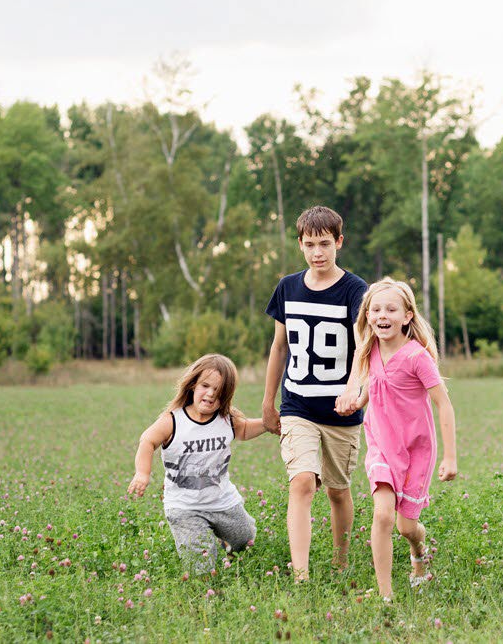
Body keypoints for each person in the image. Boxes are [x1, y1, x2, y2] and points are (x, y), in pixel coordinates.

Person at [262, 206, 368, 582]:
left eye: (325, 244)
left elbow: (363, 347)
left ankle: (341, 563)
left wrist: (353, 388)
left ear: (339, 242)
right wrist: (268, 401)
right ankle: (301, 574)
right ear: (300, 245)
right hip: (297, 405)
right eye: (309, 244)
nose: (317, 252)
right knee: (303, 480)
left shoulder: (356, 290)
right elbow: (279, 347)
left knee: (338, 491)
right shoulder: (287, 287)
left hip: (341, 411)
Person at [337, 277, 457, 600]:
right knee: (383, 514)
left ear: (407, 316)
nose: (382, 315)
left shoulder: (417, 357)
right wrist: (355, 402)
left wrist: (450, 457)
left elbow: (443, 404)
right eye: (375, 309)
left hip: (416, 450)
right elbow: (374, 387)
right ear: (368, 314)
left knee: (406, 527)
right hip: (381, 445)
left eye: (391, 309)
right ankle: (386, 597)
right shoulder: (368, 349)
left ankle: (419, 550)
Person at [127, 353, 270, 574]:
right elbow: (147, 441)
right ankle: (205, 588)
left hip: (222, 501)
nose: (211, 394)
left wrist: (268, 424)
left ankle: (228, 550)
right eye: (205, 385)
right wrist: (142, 473)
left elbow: (244, 429)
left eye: (220, 391)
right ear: (193, 385)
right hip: (184, 506)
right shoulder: (173, 420)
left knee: (245, 539)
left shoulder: (226, 419)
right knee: (201, 566)